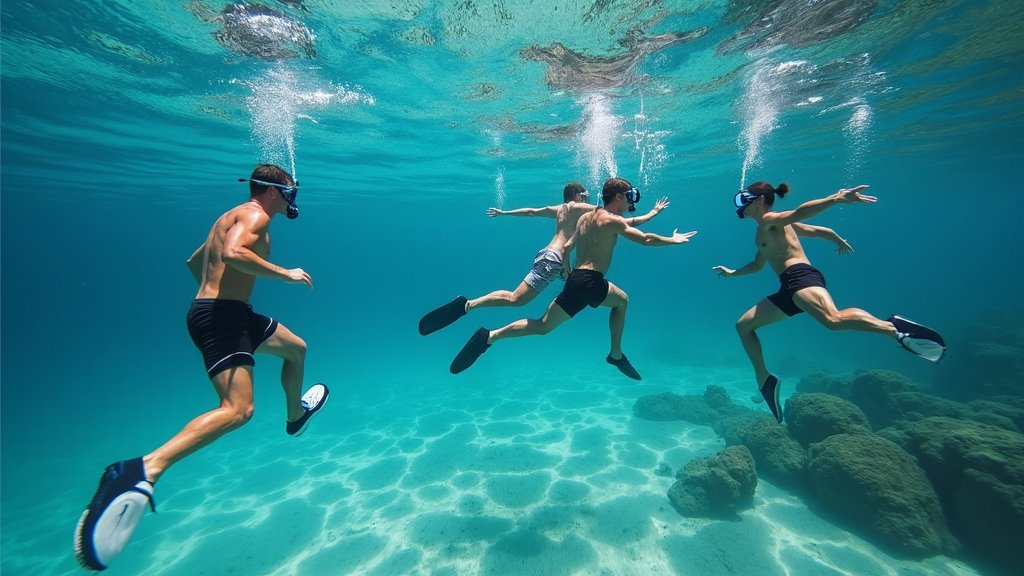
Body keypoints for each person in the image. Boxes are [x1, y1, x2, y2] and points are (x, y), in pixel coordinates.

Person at [73, 164, 330, 572]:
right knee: (238, 410)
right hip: (221, 318)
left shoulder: (230, 215)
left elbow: (196, 260)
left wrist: (216, 290)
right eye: (291, 191)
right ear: (277, 191)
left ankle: (295, 416)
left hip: (231, 312)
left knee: (296, 348)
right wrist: (285, 274)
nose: (293, 198)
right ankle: (140, 469)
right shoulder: (256, 215)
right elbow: (231, 253)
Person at [713, 181, 946, 424]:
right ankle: (765, 379)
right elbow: (761, 262)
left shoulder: (772, 218)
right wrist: (732, 273)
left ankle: (894, 329)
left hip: (800, 277)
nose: (739, 206)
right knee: (744, 326)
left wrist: (836, 198)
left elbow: (799, 211)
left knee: (833, 320)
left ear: (759, 200)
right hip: (788, 287)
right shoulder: (765, 228)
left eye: (742, 200)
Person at [449, 177, 696, 380]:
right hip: (590, 281)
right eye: (629, 196)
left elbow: (566, 247)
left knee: (543, 325)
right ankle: (616, 354)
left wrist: (567, 272)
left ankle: (490, 335)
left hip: (575, 280)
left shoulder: (585, 219)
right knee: (622, 301)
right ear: (619, 197)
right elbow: (646, 239)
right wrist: (672, 240)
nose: (632, 201)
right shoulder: (610, 219)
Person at [418, 181, 670, 335]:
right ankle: (468, 305)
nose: (588, 198)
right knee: (516, 300)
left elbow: (531, 211)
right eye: (585, 194)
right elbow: (622, 221)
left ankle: (469, 307)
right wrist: (653, 213)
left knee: (520, 302)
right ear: (578, 196)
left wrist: (505, 212)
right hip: (555, 261)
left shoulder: (559, 209)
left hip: (550, 257)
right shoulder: (587, 209)